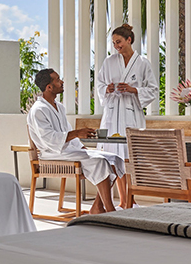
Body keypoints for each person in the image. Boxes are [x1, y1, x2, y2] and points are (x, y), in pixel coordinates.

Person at [27, 68, 127, 213]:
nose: (62, 82)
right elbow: (49, 139)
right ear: (49, 87)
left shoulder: (59, 107)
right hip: (52, 154)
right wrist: (77, 133)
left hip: (68, 151)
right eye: (57, 80)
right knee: (99, 162)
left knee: (114, 159)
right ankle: (110, 210)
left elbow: (67, 132)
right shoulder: (38, 110)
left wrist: (82, 147)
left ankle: (97, 207)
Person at [95, 24, 159, 159]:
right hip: (112, 113)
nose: (116, 46)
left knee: (132, 154)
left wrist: (134, 90)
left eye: (119, 42)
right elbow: (99, 83)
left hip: (132, 113)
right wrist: (107, 89)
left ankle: (131, 181)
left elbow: (153, 89)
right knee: (110, 153)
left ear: (129, 40)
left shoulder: (142, 63)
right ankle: (118, 180)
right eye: (113, 43)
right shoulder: (109, 61)